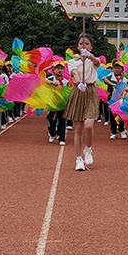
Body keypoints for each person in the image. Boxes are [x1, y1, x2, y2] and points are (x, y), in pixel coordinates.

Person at [64, 33, 101, 171]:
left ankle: (88, 149)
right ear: (77, 46)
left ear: (91, 46)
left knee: (89, 125)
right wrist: (79, 82)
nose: (83, 46)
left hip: (91, 92)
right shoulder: (73, 61)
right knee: (78, 128)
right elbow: (74, 73)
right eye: (81, 44)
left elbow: (97, 62)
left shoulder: (93, 60)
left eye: (87, 43)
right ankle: (78, 159)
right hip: (78, 91)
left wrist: (89, 56)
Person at [46, 60, 69, 146]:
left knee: (62, 121)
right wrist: (52, 83)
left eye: (61, 68)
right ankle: (52, 133)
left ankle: (62, 138)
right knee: (51, 120)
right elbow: (43, 81)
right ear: (53, 70)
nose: (59, 70)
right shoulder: (51, 78)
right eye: (57, 68)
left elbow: (68, 92)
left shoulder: (66, 81)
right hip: (52, 104)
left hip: (62, 104)